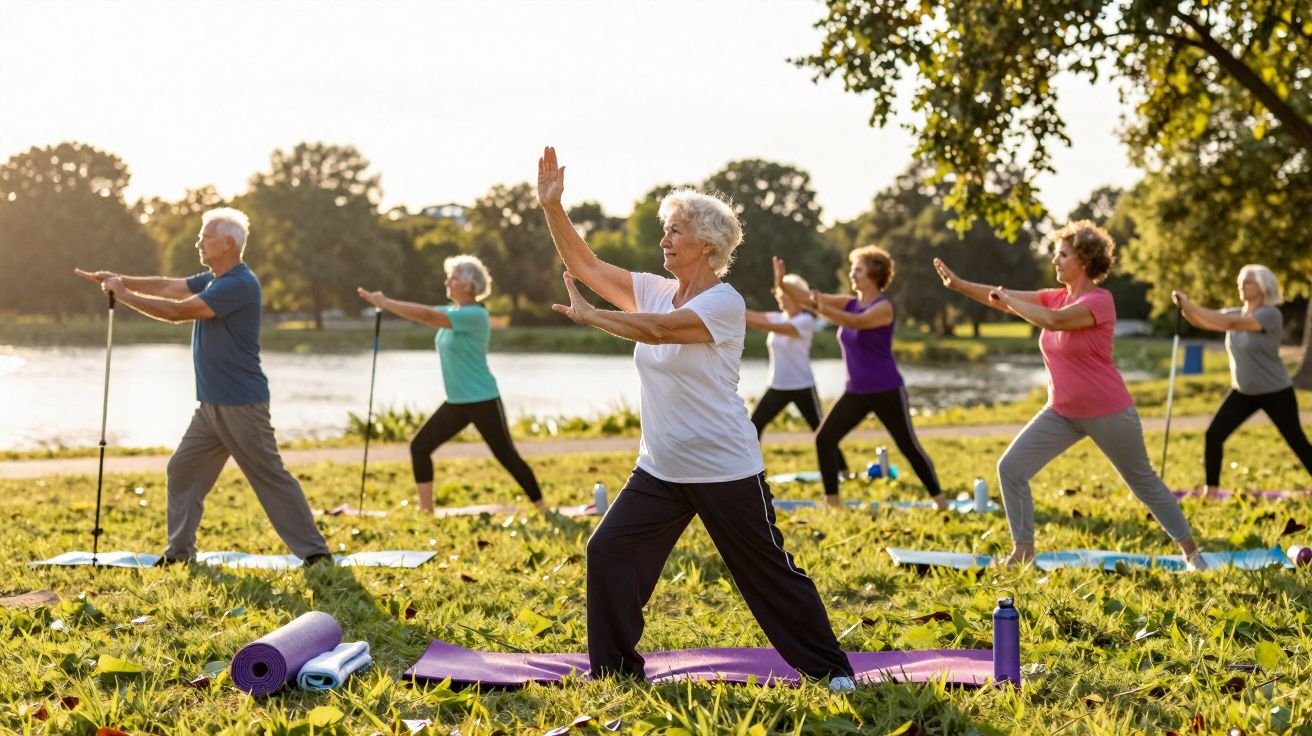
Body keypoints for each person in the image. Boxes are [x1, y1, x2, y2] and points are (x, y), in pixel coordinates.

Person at [536, 146, 855, 689]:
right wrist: (552, 208)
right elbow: (585, 267)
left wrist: (595, 317)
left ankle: (831, 670)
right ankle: (616, 672)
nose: (665, 240)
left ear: (707, 244)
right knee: (608, 551)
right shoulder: (655, 290)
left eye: (675, 231)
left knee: (766, 574)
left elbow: (660, 331)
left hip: (723, 465)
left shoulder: (724, 303)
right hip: (661, 466)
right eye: (665, 230)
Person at [934, 220, 1206, 568]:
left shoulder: (1099, 301)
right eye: (1055, 254)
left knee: (1143, 483)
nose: (1055, 261)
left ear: (1086, 261)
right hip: (1061, 412)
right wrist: (959, 286)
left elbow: (1054, 321)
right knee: (1011, 468)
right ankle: (1023, 554)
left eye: (1063, 254)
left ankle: (1192, 554)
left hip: (1108, 411)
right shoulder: (1055, 296)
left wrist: (1009, 300)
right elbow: (1002, 299)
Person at [74, 208, 332, 566]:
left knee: (269, 477)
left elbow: (179, 311)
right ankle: (179, 554)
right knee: (183, 469)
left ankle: (316, 554)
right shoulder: (214, 279)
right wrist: (122, 280)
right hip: (211, 406)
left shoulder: (239, 284)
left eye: (204, 237)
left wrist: (124, 295)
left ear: (228, 243)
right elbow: (167, 285)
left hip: (241, 404)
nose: (198, 242)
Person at [356, 255, 546, 514]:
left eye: (454, 277)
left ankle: (543, 508)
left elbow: (425, 315)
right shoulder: (453, 312)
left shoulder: (475, 315)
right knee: (419, 447)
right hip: (457, 402)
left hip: (482, 399)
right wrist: (385, 304)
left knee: (507, 456)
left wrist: (386, 302)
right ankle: (426, 512)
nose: (448, 281)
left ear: (469, 285)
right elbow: (424, 312)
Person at [777, 248, 946, 510]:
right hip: (856, 391)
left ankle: (940, 500)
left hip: (886, 389)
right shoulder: (849, 302)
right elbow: (807, 297)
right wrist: (781, 283)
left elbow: (854, 323)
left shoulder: (883, 308)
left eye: (858, 269)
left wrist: (820, 308)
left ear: (874, 274)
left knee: (908, 446)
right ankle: (833, 503)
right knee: (825, 439)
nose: (851, 273)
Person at [1172, 265, 1312, 496]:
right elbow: (1201, 321)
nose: (1241, 284)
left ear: (1263, 286)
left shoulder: (1270, 314)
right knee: (1214, 435)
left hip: (1275, 390)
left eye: (1248, 281)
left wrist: (1190, 305)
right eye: (1241, 280)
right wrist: (1184, 306)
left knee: (1297, 442)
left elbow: (1231, 325)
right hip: (1243, 391)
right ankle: (1211, 493)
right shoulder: (1234, 313)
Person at [744, 265, 849, 478]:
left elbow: (775, 328)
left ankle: (844, 472)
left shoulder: (805, 320)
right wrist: (731, 307)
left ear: (795, 297)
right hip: (777, 386)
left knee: (821, 431)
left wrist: (753, 319)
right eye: (779, 294)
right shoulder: (778, 317)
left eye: (784, 295)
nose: (780, 298)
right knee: (754, 426)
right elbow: (757, 319)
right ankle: (751, 472)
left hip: (802, 386)